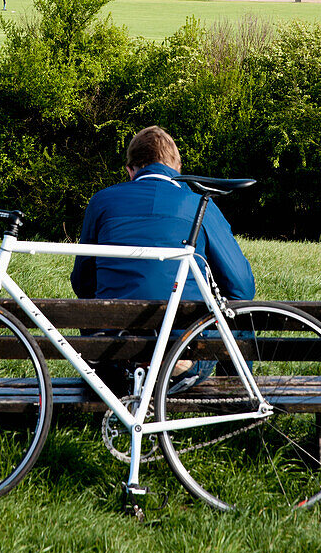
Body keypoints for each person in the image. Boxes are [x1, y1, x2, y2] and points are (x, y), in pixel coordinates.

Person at [71, 126, 254, 389]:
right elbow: (242, 287)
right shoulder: (199, 204)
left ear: (130, 170)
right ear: (178, 167)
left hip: (114, 355)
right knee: (239, 314)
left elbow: (82, 281)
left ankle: (123, 363)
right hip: (181, 353)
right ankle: (240, 399)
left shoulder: (101, 202)